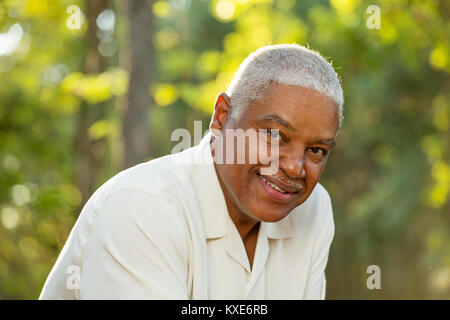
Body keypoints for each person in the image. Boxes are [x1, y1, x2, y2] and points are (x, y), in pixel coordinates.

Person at [39, 43, 344, 300]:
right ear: (222, 117)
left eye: (316, 150)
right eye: (274, 135)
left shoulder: (314, 210)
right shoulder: (141, 208)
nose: (294, 166)